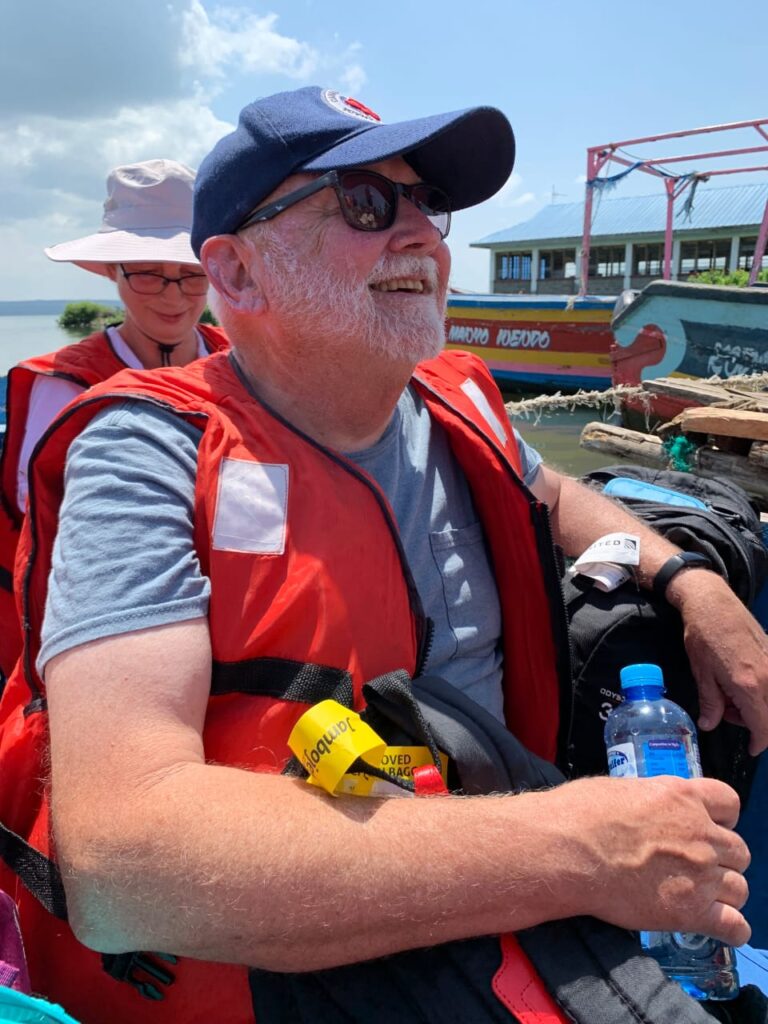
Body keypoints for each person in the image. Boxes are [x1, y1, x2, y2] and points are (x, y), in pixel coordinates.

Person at [0, 86, 765, 1024]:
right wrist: (582, 847)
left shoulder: (460, 406)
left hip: (515, 892)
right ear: (236, 274)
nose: (424, 238)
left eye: (426, 206)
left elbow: (559, 493)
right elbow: (124, 864)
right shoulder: (144, 454)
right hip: (305, 968)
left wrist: (692, 585)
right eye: (367, 203)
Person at [0, 159, 229, 682]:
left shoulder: (240, 361)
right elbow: (37, 513)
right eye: (148, 273)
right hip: (107, 614)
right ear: (111, 270)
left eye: (192, 275)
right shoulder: (63, 384)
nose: (173, 296)